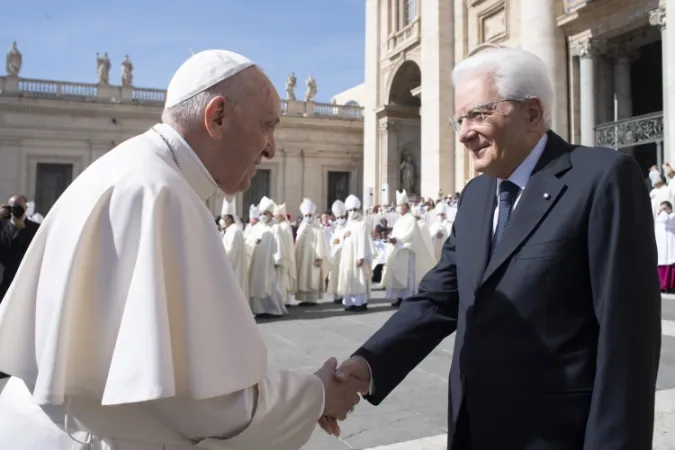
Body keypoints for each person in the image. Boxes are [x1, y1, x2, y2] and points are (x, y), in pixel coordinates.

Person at [0, 49, 366, 450]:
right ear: (217, 116)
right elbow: (211, 407)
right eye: (267, 126)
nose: (271, 149)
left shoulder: (135, 170)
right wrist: (317, 395)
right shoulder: (161, 193)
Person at [327, 47, 662, 449]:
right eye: (460, 119)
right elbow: (439, 298)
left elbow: (627, 342)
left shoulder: (601, 179)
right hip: (474, 431)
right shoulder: (476, 196)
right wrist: (367, 364)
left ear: (533, 113)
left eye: (479, 114)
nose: (464, 132)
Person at [0, 195, 40, 303]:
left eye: (18, 207)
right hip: (3, 281)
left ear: (26, 208)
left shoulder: (36, 228)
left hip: (24, 280)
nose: (15, 210)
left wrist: (23, 230)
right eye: (12, 207)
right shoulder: (2, 225)